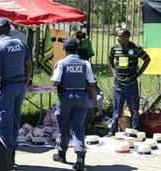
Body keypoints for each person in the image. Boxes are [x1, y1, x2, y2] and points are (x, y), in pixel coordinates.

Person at [0, 17, 32, 164]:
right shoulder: (21, 44)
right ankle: (12, 153)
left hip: (7, 88)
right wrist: (25, 82)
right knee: (15, 120)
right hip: (20, 87)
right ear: (9, 28)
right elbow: (29, 66)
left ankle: (5, 156)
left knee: (4, 122)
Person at [51, 37, 97, 171]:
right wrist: (95, 103)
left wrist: (55, 69)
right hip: (82, 98)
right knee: (78, 128)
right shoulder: (85, 63)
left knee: (64, 128)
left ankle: (61, 153)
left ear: (64, 49)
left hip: (65, 98)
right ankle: (80, 158)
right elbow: (92, 85)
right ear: (77, 49)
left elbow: (55, 82)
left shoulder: (61, 63)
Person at [107, 29, 150, 136]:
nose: (118, 38)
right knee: (116, 111)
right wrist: (113, 70)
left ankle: (135, 132)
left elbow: (147, 59)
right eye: (118, 36)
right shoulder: (114, 48)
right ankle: (112, 132)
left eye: (120, 36)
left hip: (131, 84)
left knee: (134, 111)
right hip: (119, 85)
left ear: (126, 38)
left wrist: (139, 73)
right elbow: (110, 59)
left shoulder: (135, 49)